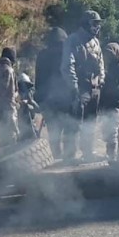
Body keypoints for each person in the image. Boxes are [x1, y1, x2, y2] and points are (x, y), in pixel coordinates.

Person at [60, 10, 105, 162]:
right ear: (86, 24)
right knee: (74, 123)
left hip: (95, 88)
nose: (97, 27)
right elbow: (67, 65)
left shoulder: (96, 42)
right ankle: (69, 156)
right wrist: (74, 88)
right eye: (95, 24)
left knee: (90, 124)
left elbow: (101, 64)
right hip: (80, 88)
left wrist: (101, 80)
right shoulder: (73, 40)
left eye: (99, 24)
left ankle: (88, 153)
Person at [35, 27, 68, 158]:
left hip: (49, 100)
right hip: (66, 99)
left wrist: (40, 99)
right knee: (68, 128)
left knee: (54, 131)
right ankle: (68, 156)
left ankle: (56, 155)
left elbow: (38, 79)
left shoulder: (42, 54)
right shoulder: (67, 52)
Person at [100, 43, 119, 163]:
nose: (107, 56)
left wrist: (103, 84)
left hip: (116, 103)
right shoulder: (115, 66)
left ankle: (114, 158)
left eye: (110, 53)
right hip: (114, 103)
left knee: (113, 132)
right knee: (116, 131)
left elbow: (114, 87)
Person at [0, 47, 19, 147]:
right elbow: (8, 94)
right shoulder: (8, 70)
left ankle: (2, 162)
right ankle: (11, 162)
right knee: (11, 137)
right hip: (7, 108)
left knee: (2, 137)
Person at [17, 73, 40, 142]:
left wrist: (30, 101)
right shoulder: (15, 95)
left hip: (31, 127)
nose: (24, 89)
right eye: (21, 86)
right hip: (20, 129)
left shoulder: (30, 96)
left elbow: (38, 110)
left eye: (26, 86)